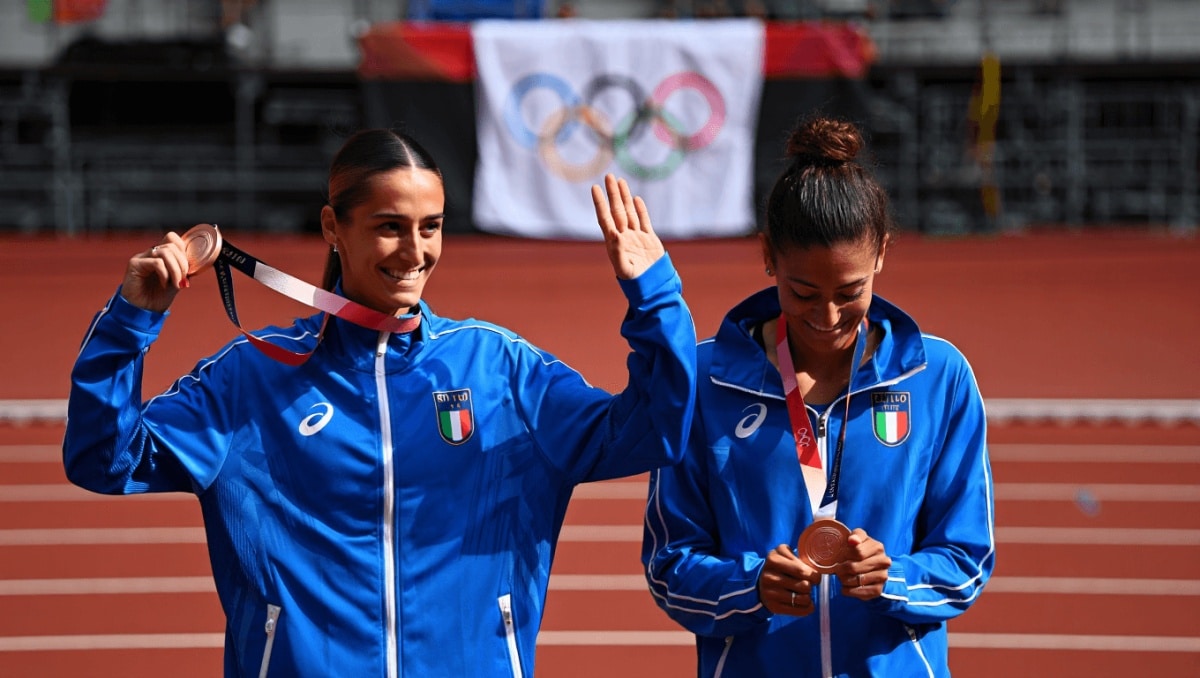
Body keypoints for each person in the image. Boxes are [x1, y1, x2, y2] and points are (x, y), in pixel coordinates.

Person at [63, 128, 697, 676]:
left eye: (431, 227)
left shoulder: (500, 370)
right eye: (390, 228)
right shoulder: (252, 378)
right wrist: (130, 322)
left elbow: (655, 430)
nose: (415, 252)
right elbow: (105, 457)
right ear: (333, 227)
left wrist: (655, 298)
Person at [641, 115, 994, 677]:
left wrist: (894, 578)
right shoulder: (706, 381)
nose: (827, 317)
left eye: (850, 292)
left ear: (881, 251)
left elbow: (967, 559)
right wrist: (749, 585)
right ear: (767, 256)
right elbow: (669, 565)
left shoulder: (938, 377)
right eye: (802, 292)